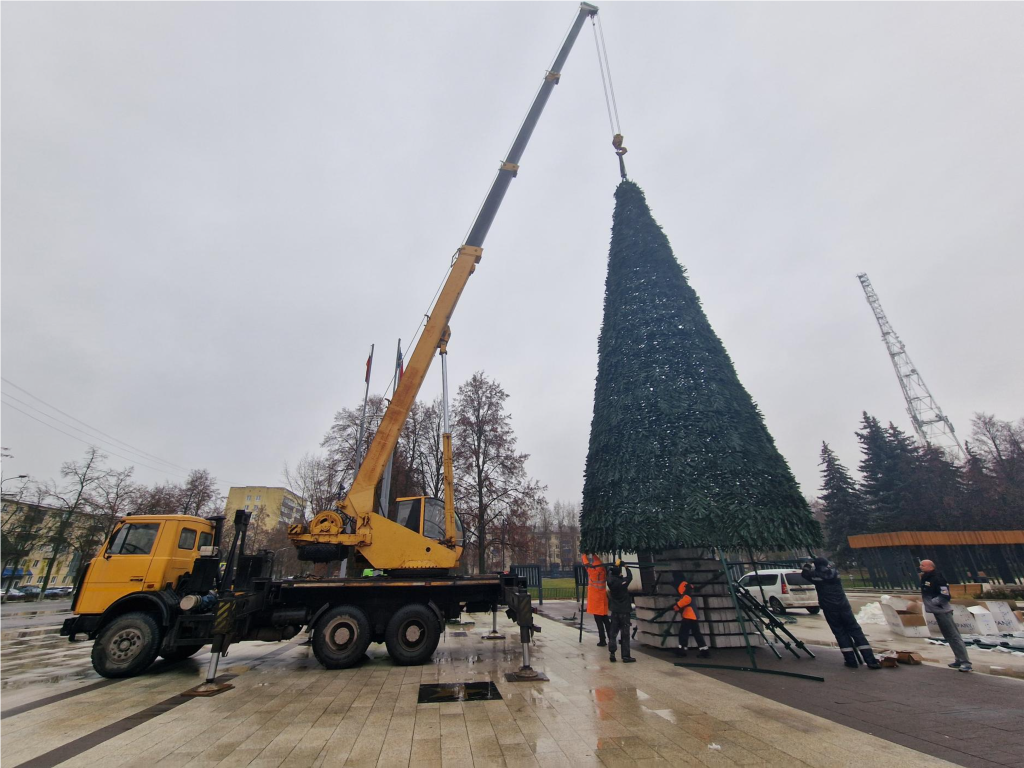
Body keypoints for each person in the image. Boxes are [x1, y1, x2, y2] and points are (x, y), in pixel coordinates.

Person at [801, 557, 881, 669]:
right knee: (856, 631)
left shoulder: (816, 575)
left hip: (829, 608)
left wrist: (808, 565)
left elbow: (805, 574)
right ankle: (871, 661)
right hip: (844, 606)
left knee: (840, 633)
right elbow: (829, 568)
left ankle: (851, 661)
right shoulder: (835, 573)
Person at [919, 559, 972, 673]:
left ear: (930, 566)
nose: (920, 567)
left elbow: (945, 595)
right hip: (936, 611)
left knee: (954, 636)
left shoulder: (937, 578)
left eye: (923, 565)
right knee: (948, 636)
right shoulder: (926, 577)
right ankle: (958, 659)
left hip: (942, 611)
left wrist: (934, 603)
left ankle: (965, 662)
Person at [606, 559, 635, 663]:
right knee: (625, 634)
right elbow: (630, 577)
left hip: (615, 611)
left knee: (613, 633)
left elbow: (609, 576)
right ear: (619, 573)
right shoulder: (622, 582)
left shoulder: (610, 582)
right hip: (624, 611)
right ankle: (626, 656)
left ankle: (612, 653)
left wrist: (610, 570)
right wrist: (626, 566)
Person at [673, 580, 710, 658]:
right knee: (696, 633)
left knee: (683, 633)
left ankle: (682, 649)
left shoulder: (686, 595)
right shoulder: (689, 594)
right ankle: (704, 650)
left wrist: (677, 605)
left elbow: (686, 600)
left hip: (688, 617)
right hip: (692, 617)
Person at [581, 554, 611, 647]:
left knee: (599, 622)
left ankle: (602, 640)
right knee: (606, 620)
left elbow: (586, 564)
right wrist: (593, 554)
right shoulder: (603, 571)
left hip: (595, 600)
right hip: (603, 599)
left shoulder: (593, 572)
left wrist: (584, 554)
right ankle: (611, 638)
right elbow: (595, 562)